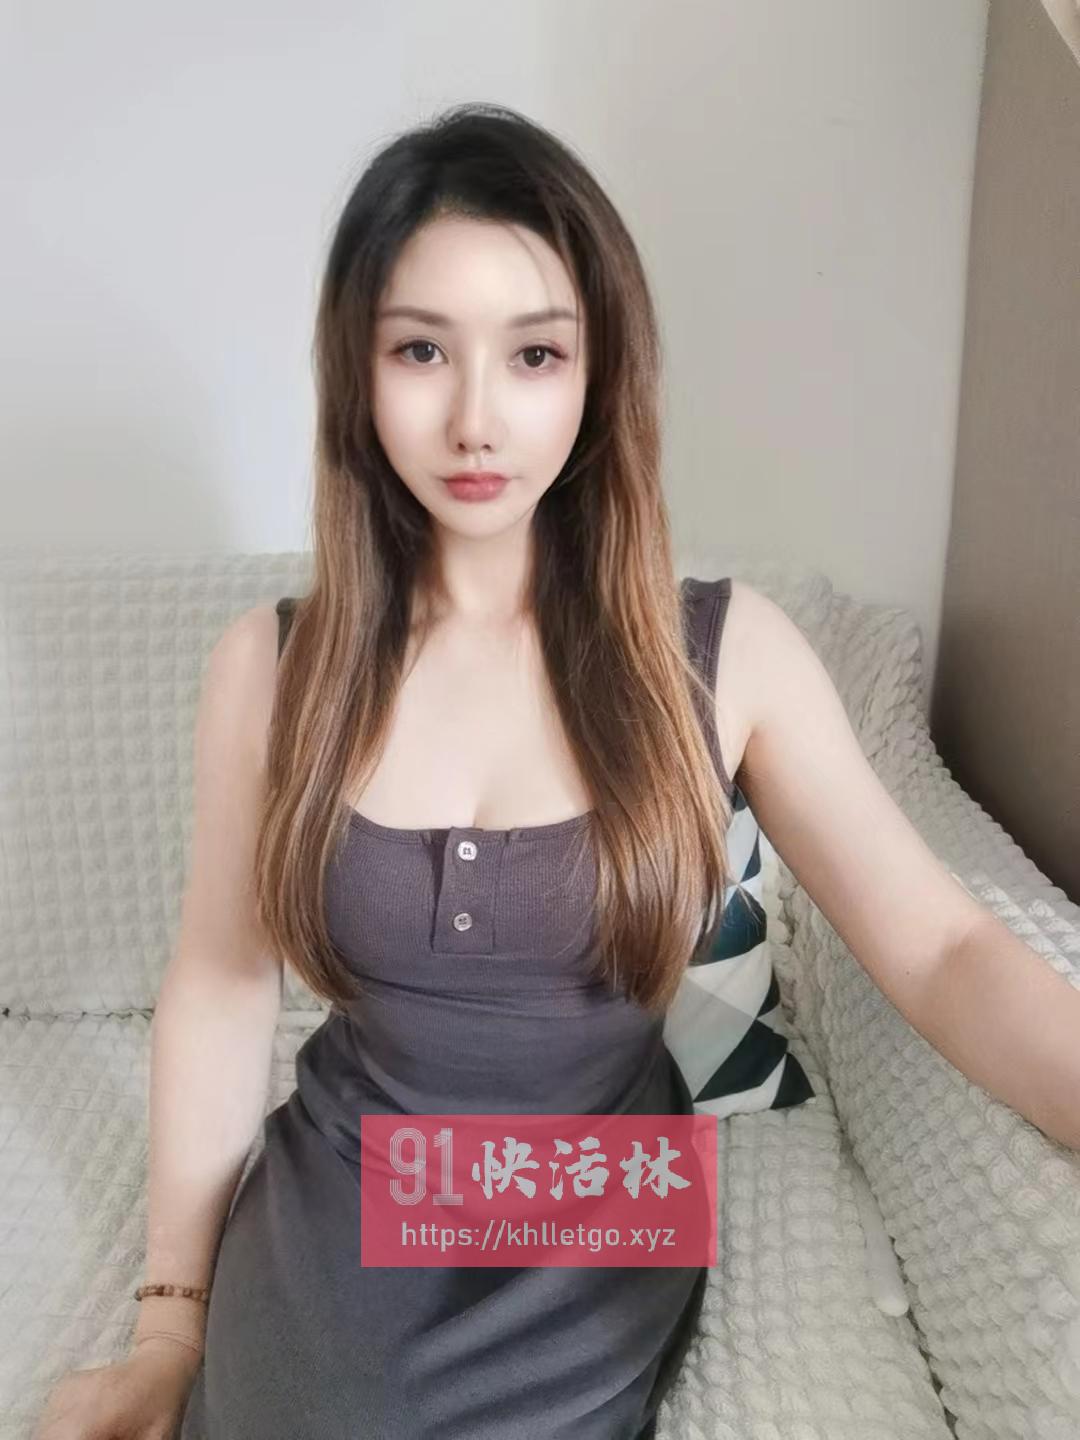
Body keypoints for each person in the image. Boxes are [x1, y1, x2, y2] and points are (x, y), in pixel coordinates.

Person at [32, 101, 737, 1439]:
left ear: (599, 374)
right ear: (357, 373)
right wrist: (168, 1324)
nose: (475, 419)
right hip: (353, 1173)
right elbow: (223, 978)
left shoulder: (714, 651)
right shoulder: (272, 665)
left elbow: (939, 948)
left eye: (535, 354)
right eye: (421, 350)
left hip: (603, 1190)